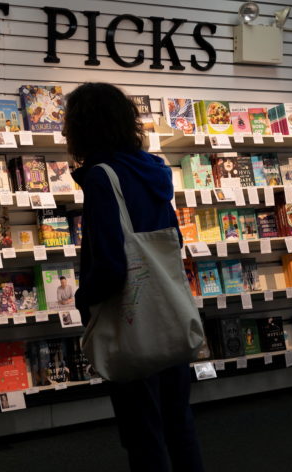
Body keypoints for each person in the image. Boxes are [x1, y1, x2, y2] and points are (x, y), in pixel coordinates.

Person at [65, 82, 205, 472]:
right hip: (166, 309)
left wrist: (84, 299)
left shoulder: (101, 177)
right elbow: (172, 239)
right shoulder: (155, 169)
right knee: (178, 422)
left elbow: (111, 263)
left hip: (129, 315)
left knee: (142, 430)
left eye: (68, 123)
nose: (63, 132)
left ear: (85, 127)